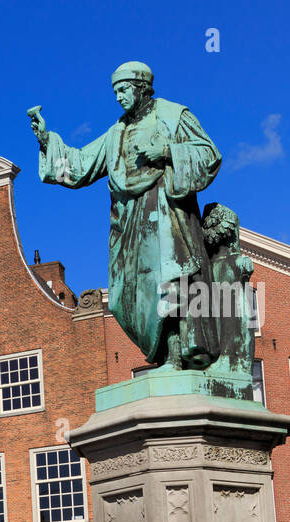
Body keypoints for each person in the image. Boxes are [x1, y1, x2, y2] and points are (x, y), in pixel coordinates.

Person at [32, 62, 225, 373]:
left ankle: (176, 356)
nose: (118, 97)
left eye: (123, 90)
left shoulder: (174, 116)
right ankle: (165, 355)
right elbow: (81, 165)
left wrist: (169, 152)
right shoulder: (116, 133)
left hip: (165, 215)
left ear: (141, 87)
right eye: (115, 92)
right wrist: (47, 141)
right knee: (124, 297)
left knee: (169, 282)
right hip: (129, 222)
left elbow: (209, 154)